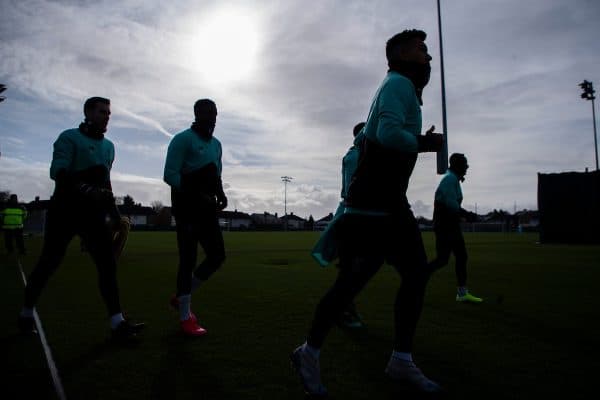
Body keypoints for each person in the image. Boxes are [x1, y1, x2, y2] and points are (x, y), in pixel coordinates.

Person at [291, 29, 444, 396]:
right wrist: (424, 143)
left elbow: (380, 134)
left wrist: (420, 142)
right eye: (422, 50)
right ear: (402, 56)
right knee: (354, 283)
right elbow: (388, 133)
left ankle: (400, 360)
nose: (429, 57)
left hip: (388, 202)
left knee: (413, 274)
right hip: (374, 204)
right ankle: (309, 352)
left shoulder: (401, 87)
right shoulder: (398, 85)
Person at [18, 97, 144, 342]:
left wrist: (116, 216)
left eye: (109, 112)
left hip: (93, 214)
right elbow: (58, 172)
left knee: (107, 266)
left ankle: (117, 323)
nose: (106, 115)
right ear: (87, 112)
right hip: (65, 209)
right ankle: (25, 313)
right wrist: (87, 190)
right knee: (49, 263)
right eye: (101, 111)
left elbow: (106, 183)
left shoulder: (109, 146)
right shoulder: (69, 137)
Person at [163, 98, 227, 337]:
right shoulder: (182, 139)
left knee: (217, 256)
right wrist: (196, 195)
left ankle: (181, 297)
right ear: (197, 113)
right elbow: (169, 174)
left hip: (207, 208)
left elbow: (216, 173)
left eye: (215, 113)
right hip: (187, 207)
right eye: (208, 113)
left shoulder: (217, 144)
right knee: (187, 259)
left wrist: (220, 194)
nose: (213, 117)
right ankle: (184, 317)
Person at [312, 122, 365, 329]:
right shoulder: (356, 155)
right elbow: (353, 191)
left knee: (353, 268)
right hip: (353, 216)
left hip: (353, 216)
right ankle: (338, 312)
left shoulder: (356, 153)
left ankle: (342, 310)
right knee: (351, 269)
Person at [431, 153, 482, 303]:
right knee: (448, 259)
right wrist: (468, 214)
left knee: (447, 259)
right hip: (446, 227)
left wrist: (465, 215)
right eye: (465, 164)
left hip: (448, 226)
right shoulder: (450, 179)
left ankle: (461, 292)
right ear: (457, 166)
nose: (467, 167)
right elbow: (451, 205)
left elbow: (451, 205)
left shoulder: (452, 179)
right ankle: (416, 279)